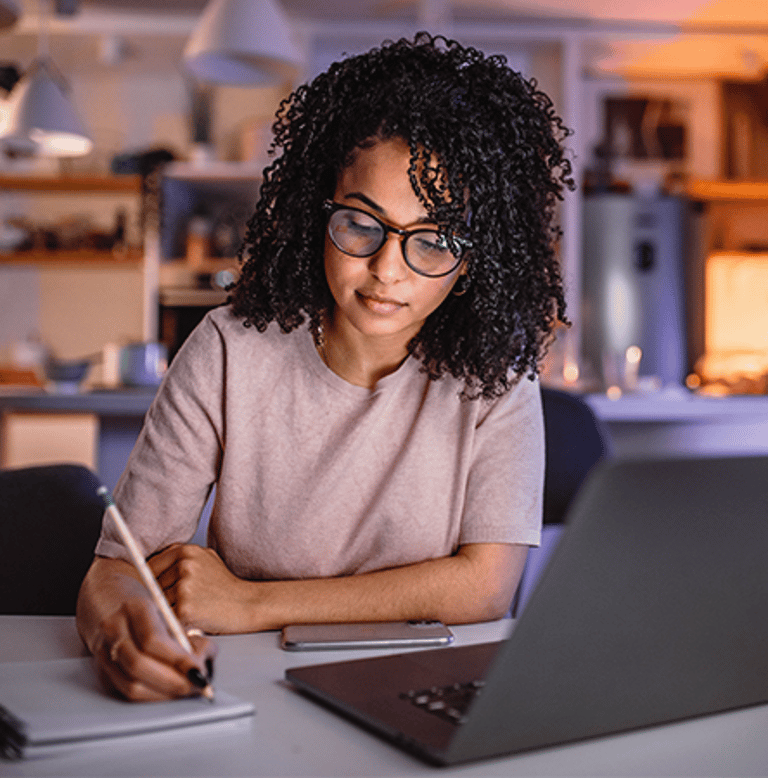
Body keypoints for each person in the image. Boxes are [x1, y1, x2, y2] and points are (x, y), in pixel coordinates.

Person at [76, 32, 573, 702]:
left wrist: (252, 603)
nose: (387, 269)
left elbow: (484, 588)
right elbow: (119, 568)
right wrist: (121, 638)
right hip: (253, 687)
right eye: (360, 225)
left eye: (432, 241)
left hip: (427, 685)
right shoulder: (229, 349)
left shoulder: (496, 375)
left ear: (474, 261)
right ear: (317, 213)